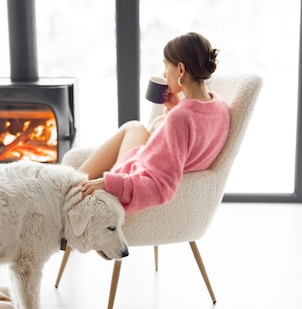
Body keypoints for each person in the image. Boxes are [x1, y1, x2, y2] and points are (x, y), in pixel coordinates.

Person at [78, 32, 230, 215]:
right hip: (168, 181)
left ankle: (69, 184)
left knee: (134, 127)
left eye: (166, 66)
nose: (165, 74)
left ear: (181, 70)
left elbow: (161, 187)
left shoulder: (181, 118)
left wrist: (107, 182)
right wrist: (176, 108)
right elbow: (194, 138)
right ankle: (71, 181)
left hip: (129, 180)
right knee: (136, 127)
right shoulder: (219, 106)